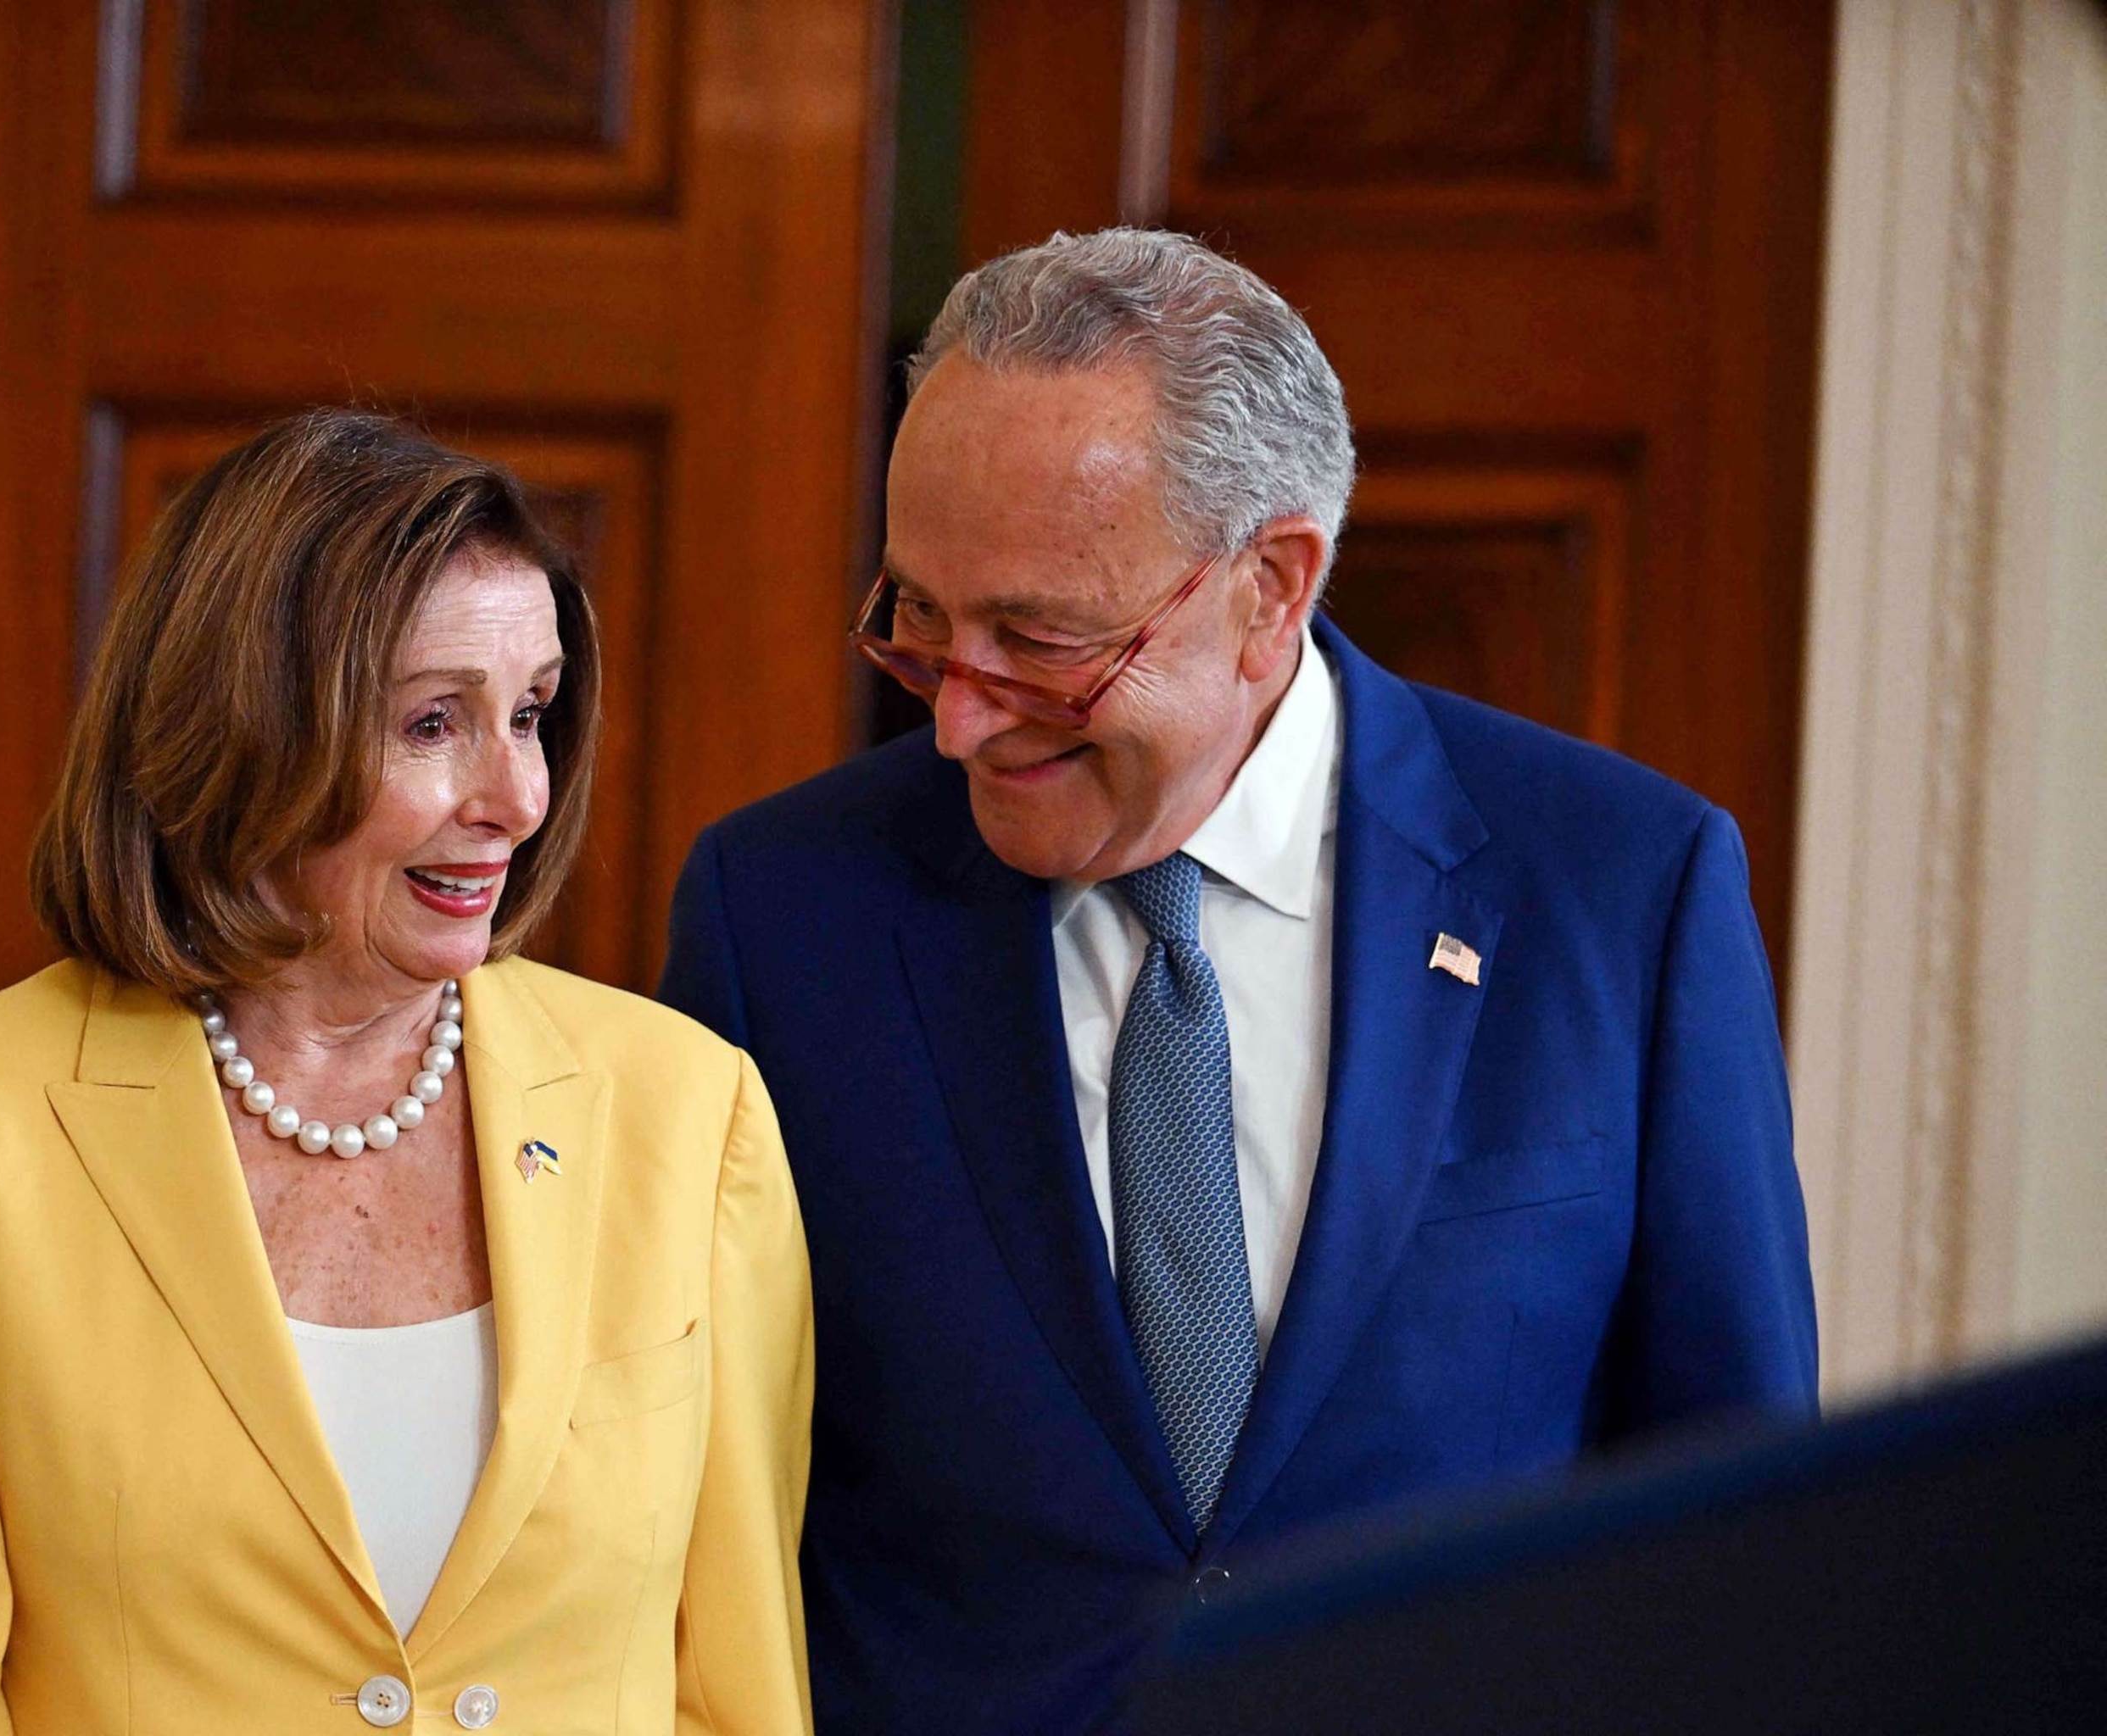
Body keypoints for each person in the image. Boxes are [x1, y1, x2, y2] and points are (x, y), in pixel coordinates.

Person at [659, 228, 1818, 1731]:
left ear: (1272, 585)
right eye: (922, 623)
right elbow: (691, 1507)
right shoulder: (783, 910)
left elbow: (1740, 1528)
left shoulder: (1618, 889)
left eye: (1044, 643)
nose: (958, 724)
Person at [0, 412, 812, 1733]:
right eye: (435, 721)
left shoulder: (690, 1106)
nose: (516, 795)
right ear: (249, 730)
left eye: (534, 713)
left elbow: (737, 1687)